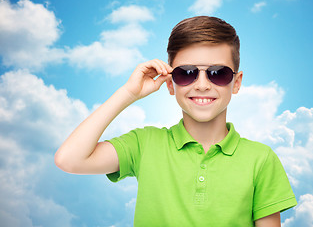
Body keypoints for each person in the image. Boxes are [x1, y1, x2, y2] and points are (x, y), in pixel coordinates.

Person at [55, 16, 297, 226]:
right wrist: (128, 93)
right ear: (170, 83)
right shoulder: (145, 144)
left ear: (237, 82)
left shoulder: (261, 159)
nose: (202, 85)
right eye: (187, 73)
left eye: (218, 73)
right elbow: (70, 159)